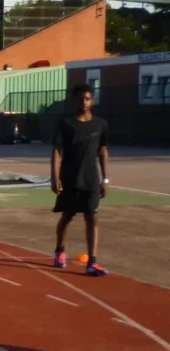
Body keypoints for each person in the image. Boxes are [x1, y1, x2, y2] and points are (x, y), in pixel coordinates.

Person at [51, 84, 109, 277]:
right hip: (70, 178)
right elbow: (57, 151)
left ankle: (92, 262)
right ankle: (60, 250)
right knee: (67, 216)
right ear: (74, 101)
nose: (84, 102)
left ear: (92, 101)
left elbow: (103, 151)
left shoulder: (100, 124)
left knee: (92, 217)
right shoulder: (66, 124)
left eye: (87, 98)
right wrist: (55, 177)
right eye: (80, 99)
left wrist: (105, 179)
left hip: (91, 179)